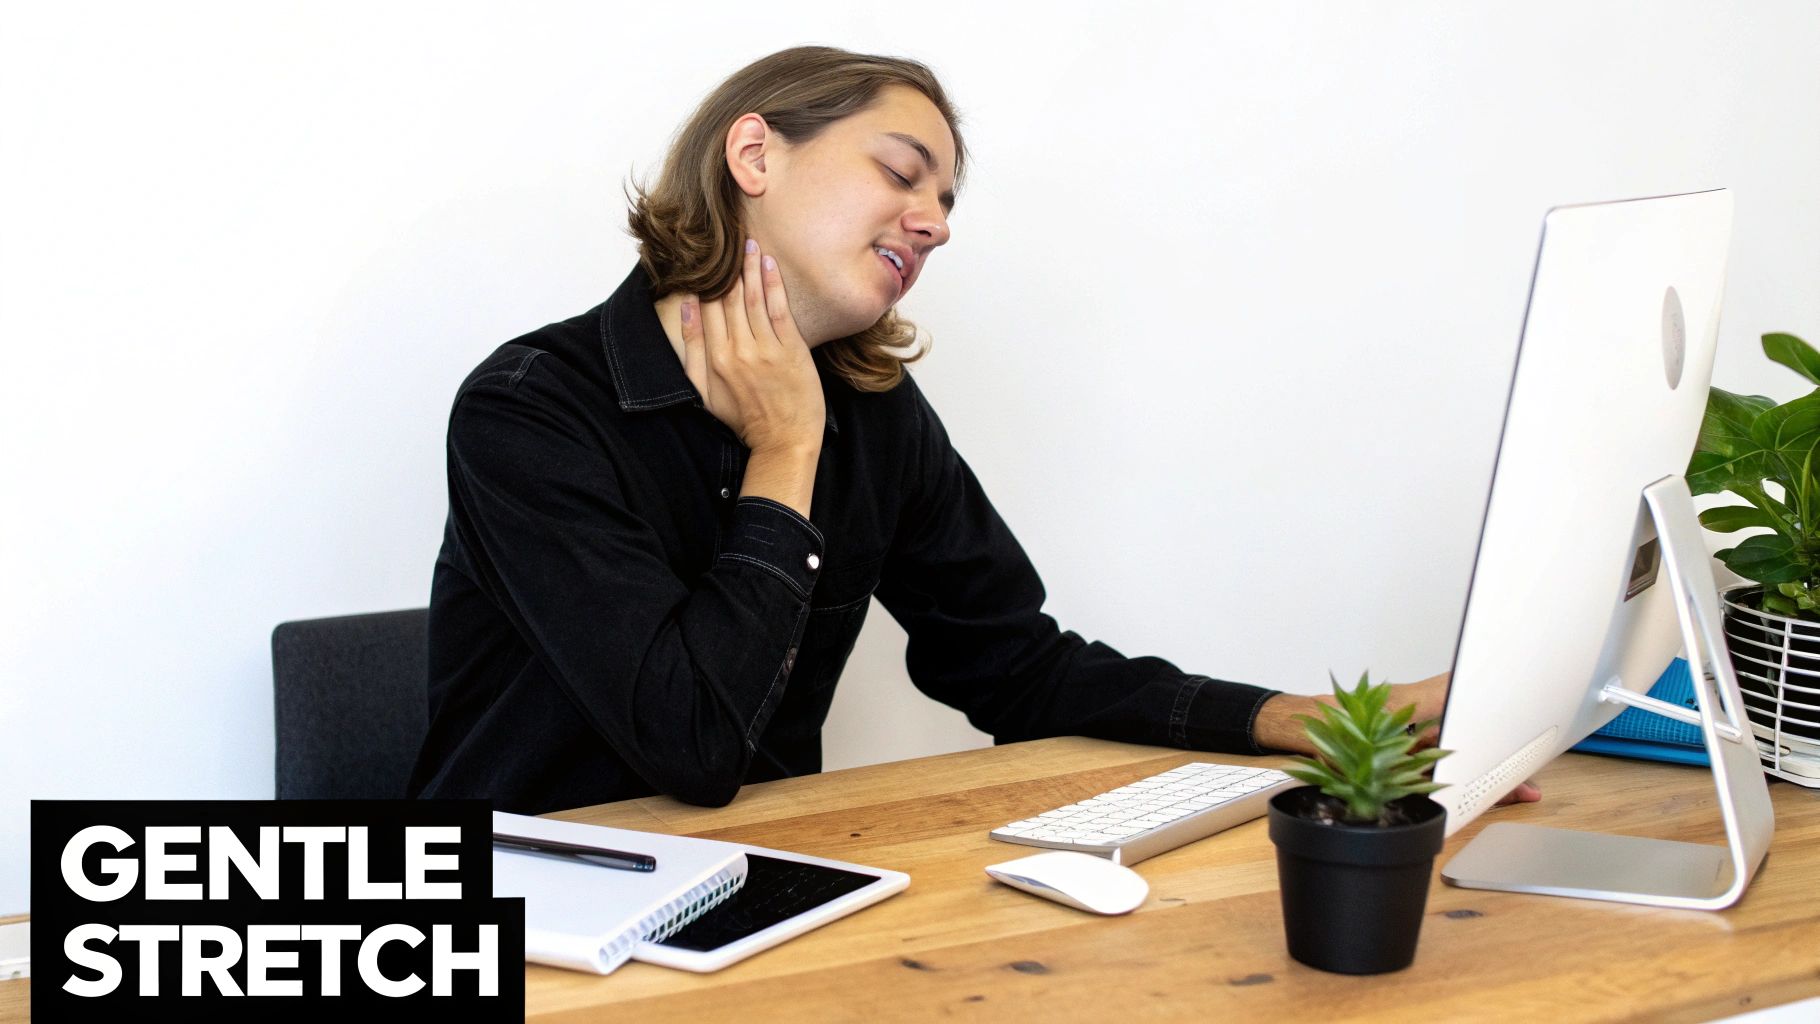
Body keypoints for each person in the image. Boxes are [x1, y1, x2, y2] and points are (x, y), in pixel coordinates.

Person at [405, 45, 1539, 814]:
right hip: (517, 923)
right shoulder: (529, 408)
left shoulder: (876, 417)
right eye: (903, 174)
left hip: (754, 901)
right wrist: (785, 451)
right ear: (754, 156)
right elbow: (690, 745)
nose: (934, 222)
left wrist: (1298, 720)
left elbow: (1015, 667)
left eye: (946, 202)